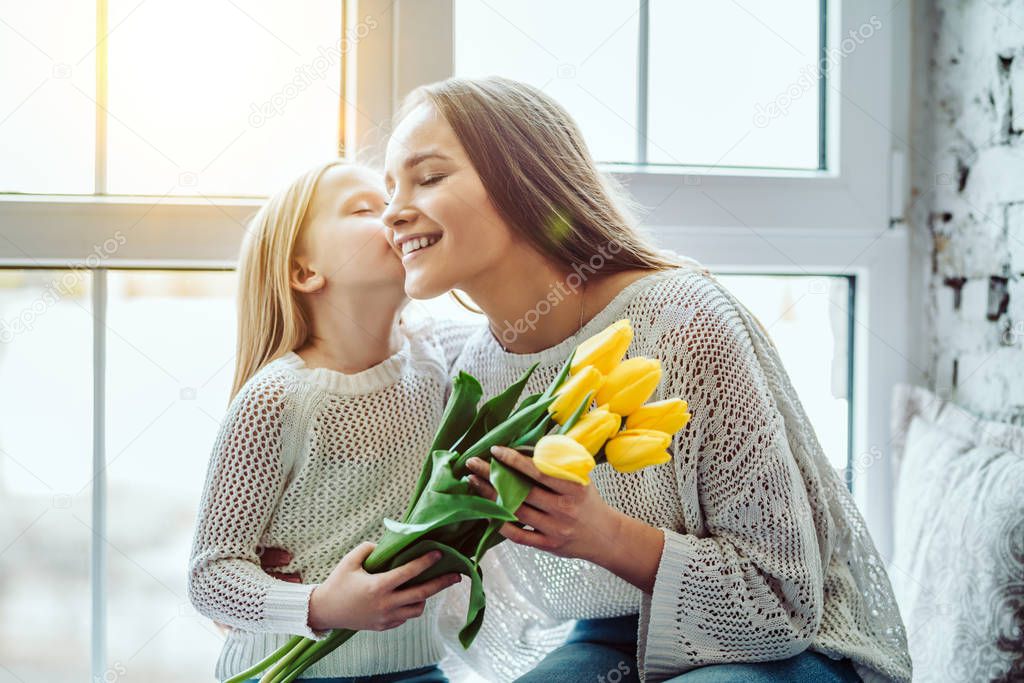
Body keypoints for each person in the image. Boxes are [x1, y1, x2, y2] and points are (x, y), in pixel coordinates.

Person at [186, 160, 474, 683]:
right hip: (287, 673)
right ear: (304, 272)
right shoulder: (278, 400)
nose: (395, 214)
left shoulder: (441, 353)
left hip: (417, 667)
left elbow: (516, 329)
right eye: (367, 208)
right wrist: (318, 605)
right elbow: (210, 578)